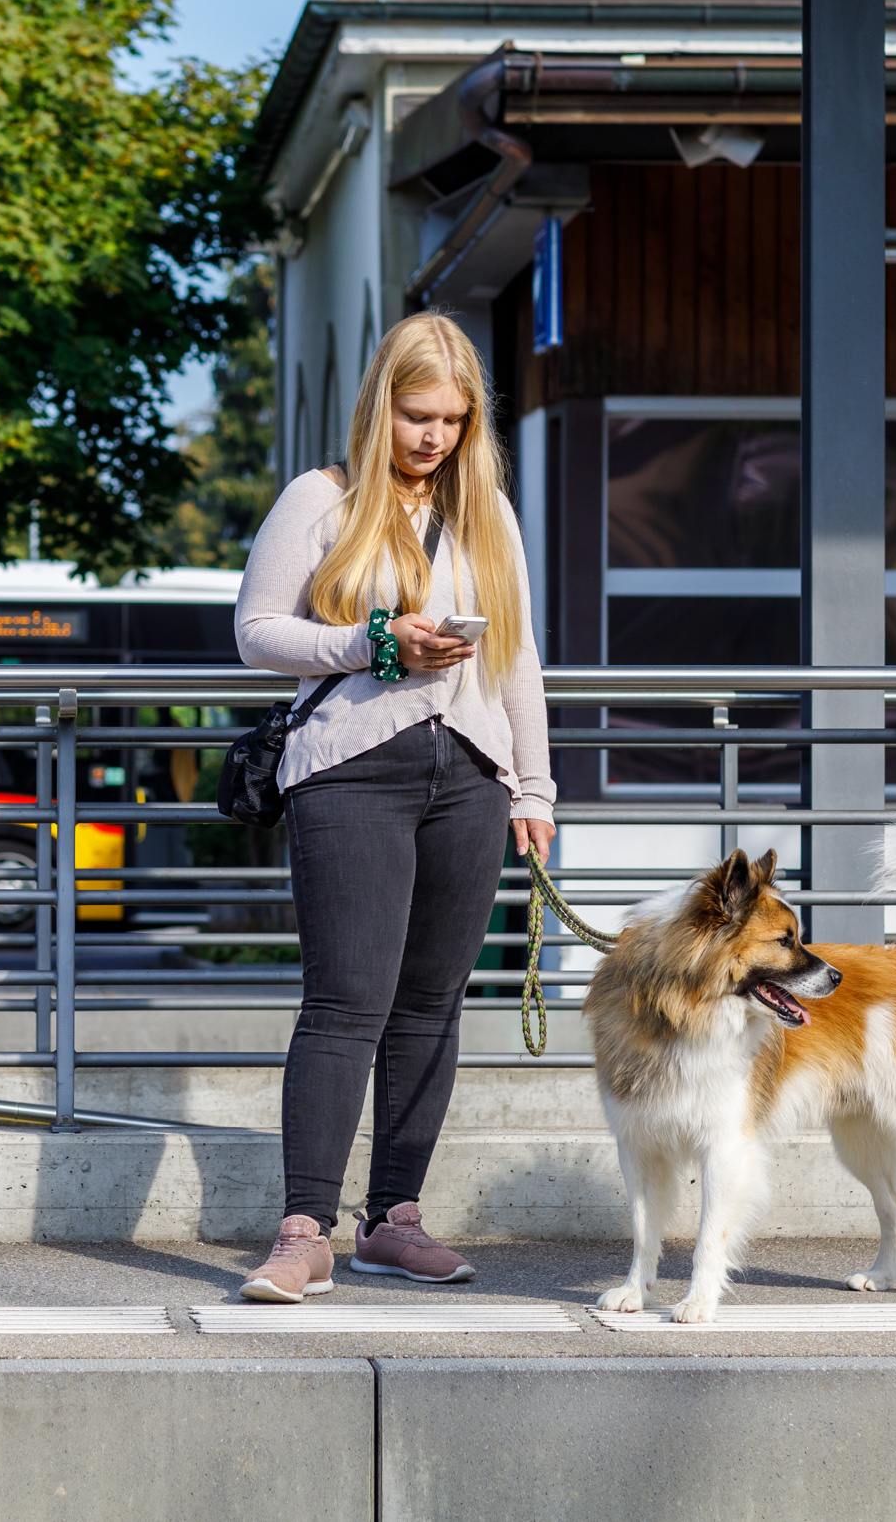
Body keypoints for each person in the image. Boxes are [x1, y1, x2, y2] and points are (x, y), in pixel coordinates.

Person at [231, 310, 556, 1302]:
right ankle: (303, 1230)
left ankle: (393, 1218)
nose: (434, 438)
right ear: (381, 407)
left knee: (431, 1005)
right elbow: (256, 633)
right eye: (418, 415)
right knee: (345, 1003)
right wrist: (377, 645)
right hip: (348, 773)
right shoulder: (319, 500)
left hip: (468, 776)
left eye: (453, 420)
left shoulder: (486, 511)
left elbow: (517, 657)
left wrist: (533, 786)